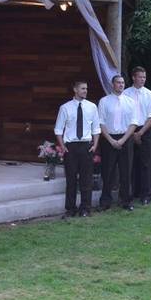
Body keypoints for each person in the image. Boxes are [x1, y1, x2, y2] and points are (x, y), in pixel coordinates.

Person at [54, 80, 100, 217]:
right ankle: (70, 209)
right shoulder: (65, 108)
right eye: (82, 88)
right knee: (71, 179)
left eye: (86, 88)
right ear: (75, 90)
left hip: (86, 146)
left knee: (86, 179)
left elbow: (96, 128)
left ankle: (85, 208)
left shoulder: (92, 107)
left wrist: (95, 144)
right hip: (71, 147)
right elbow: (58, 129)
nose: (85, 91)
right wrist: (62, 146)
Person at [97, 75, 139, 211]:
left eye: (122, 83)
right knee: (107, 171)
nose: (121, 85)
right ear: (112, 84)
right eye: (118, 83)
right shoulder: (104, 101)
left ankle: (126, 200)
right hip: (108, 138)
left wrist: (123, 140)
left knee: (126, 171)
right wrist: (111, 140)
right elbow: (101, 122)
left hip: (126, 138)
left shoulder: (130, 102)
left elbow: (134, 123)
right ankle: (105, 201)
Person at [124, 66, 151, 205]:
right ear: (133, 77)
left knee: (146, 164)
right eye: (140, 77)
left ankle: (146, 195)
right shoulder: (125, 93)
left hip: (145, 129)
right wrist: (132, 133)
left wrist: (141, 132)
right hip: (128, 131)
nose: (143, 80)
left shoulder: (150, 94)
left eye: (144, 77)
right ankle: (131, 193)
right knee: (130, 164)